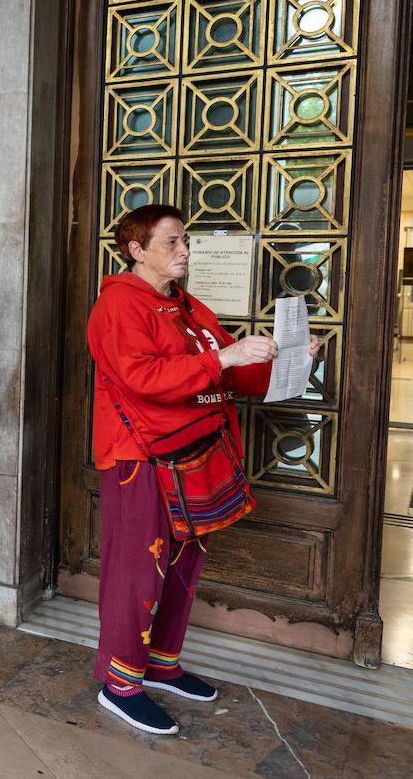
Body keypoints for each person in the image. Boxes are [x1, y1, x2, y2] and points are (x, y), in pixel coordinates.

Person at [87, 204, 319, 735]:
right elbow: (144, 377)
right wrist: (225, 359)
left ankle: (162, 663)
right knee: (137, 570)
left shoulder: (188, 307)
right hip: (141, 457)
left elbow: (232, 377)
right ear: (136, 251)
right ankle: (120, 685)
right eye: (170, 242)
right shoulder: (119, 305)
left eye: (184, 240)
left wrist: (289, 362)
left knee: (183, 566)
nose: (184, 250)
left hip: (197, 456)